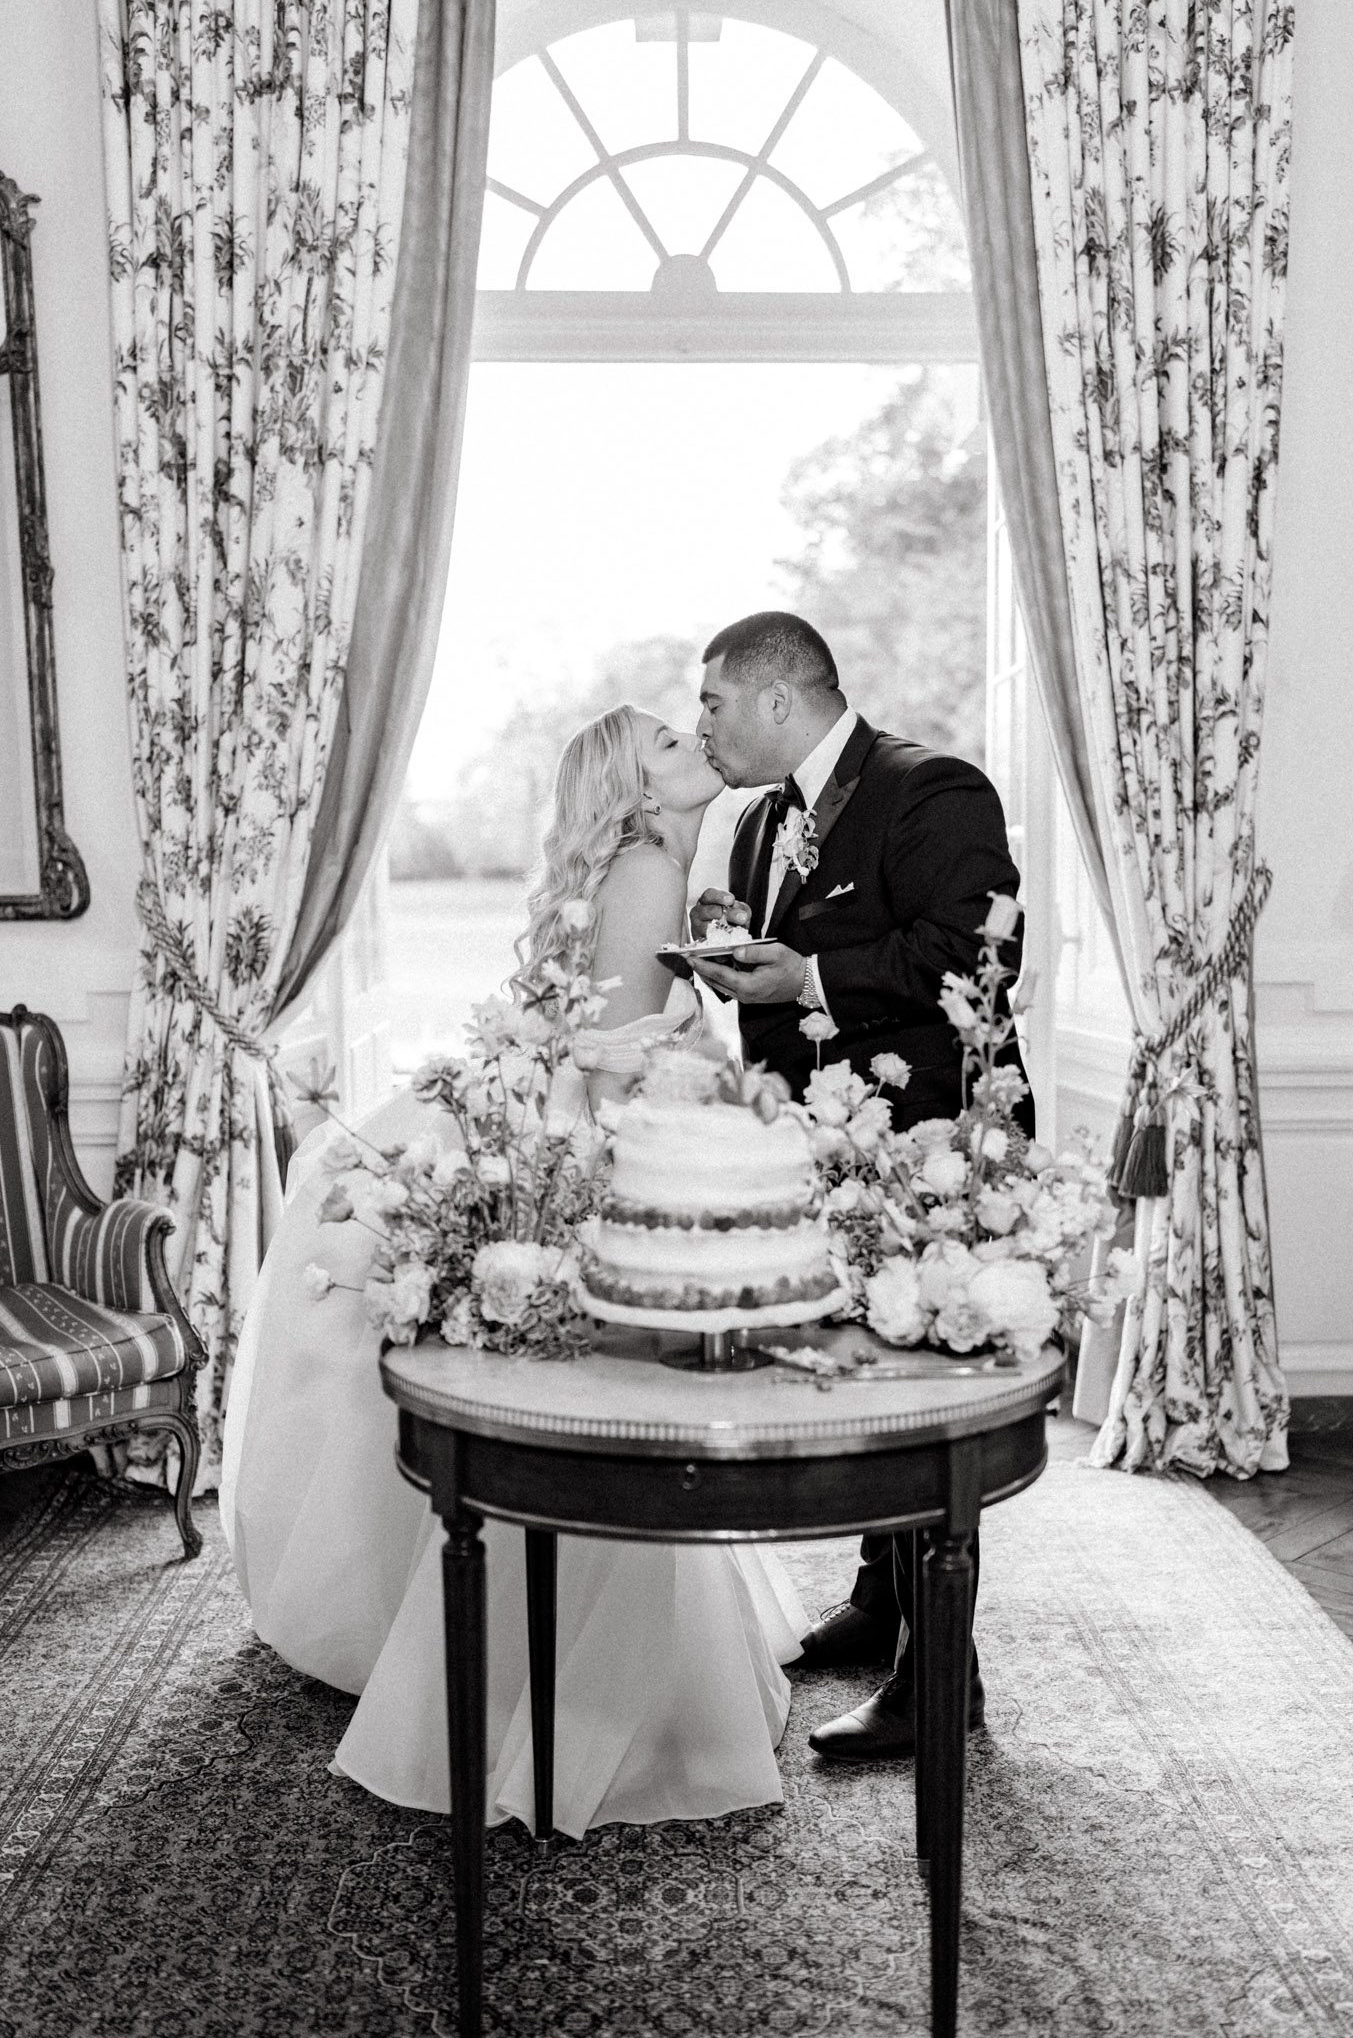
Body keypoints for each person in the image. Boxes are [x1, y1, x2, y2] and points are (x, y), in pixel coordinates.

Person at [220, 704, 810, 1840]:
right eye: (671, 746)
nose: (699, 743)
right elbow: (626, 1068)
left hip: (576, 1134)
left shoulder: (663, 865)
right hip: (600, 1156)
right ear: (636, 794)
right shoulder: (644, 872)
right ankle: (596, 1706)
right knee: (608, 1429)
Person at [688, 610, 1032, 1763]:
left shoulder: (934, 790)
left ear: (778, 697)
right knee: (862, 1385)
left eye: (714, 704)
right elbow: (778, 996)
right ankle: (880, 1602)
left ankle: (943, 1677)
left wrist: (814, 972)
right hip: (825, 1150)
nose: (704, 727)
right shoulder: (755, 827)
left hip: (938, 1146)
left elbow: (978, 954)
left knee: (919, 1404)